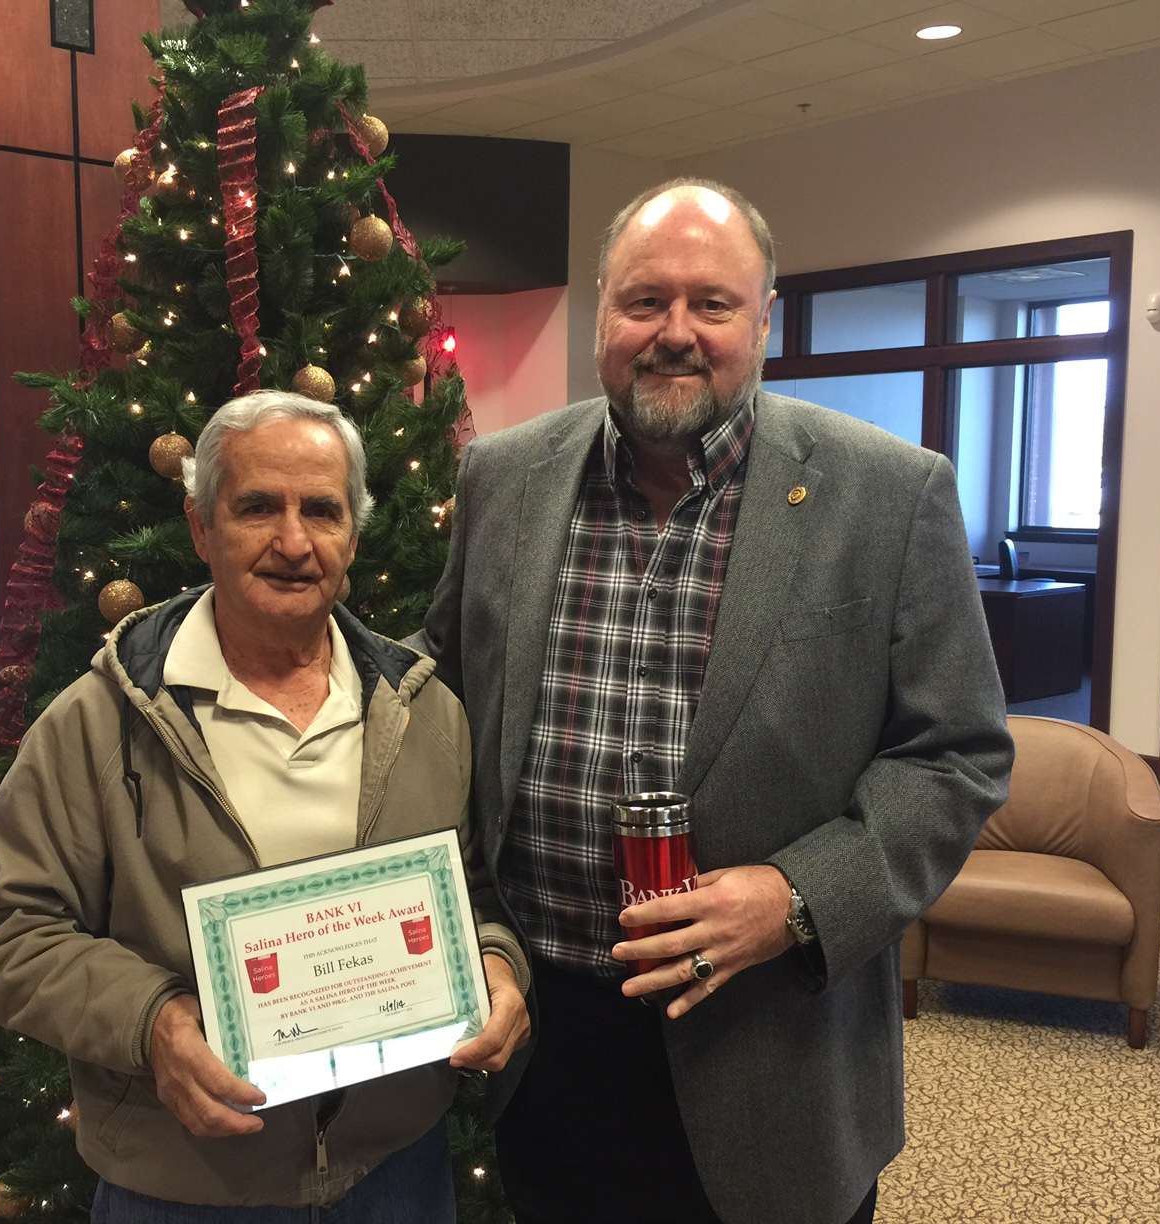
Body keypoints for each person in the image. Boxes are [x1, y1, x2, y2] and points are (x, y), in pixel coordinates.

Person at [418, 178, 1014, 1224]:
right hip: (543, 1028)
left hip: (771, 1042)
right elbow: (443, 697)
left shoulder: (889, 493)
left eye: (713, 304)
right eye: (645, 302)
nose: (675, 334)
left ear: (764, 319)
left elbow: (957, 754)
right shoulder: (502, 478)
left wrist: (793, 899)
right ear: (603, 310)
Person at [0, 390, 531, 1221]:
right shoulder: (100, 720)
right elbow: (1, 931)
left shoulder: (426, 710)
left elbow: (472, 893)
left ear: (353, 535)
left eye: (322, 511)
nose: (293, 543)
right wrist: (153, 1023)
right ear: (200, 526)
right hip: (190, 1180)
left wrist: (498, 963)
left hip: (397, 1171)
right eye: (258, 507)